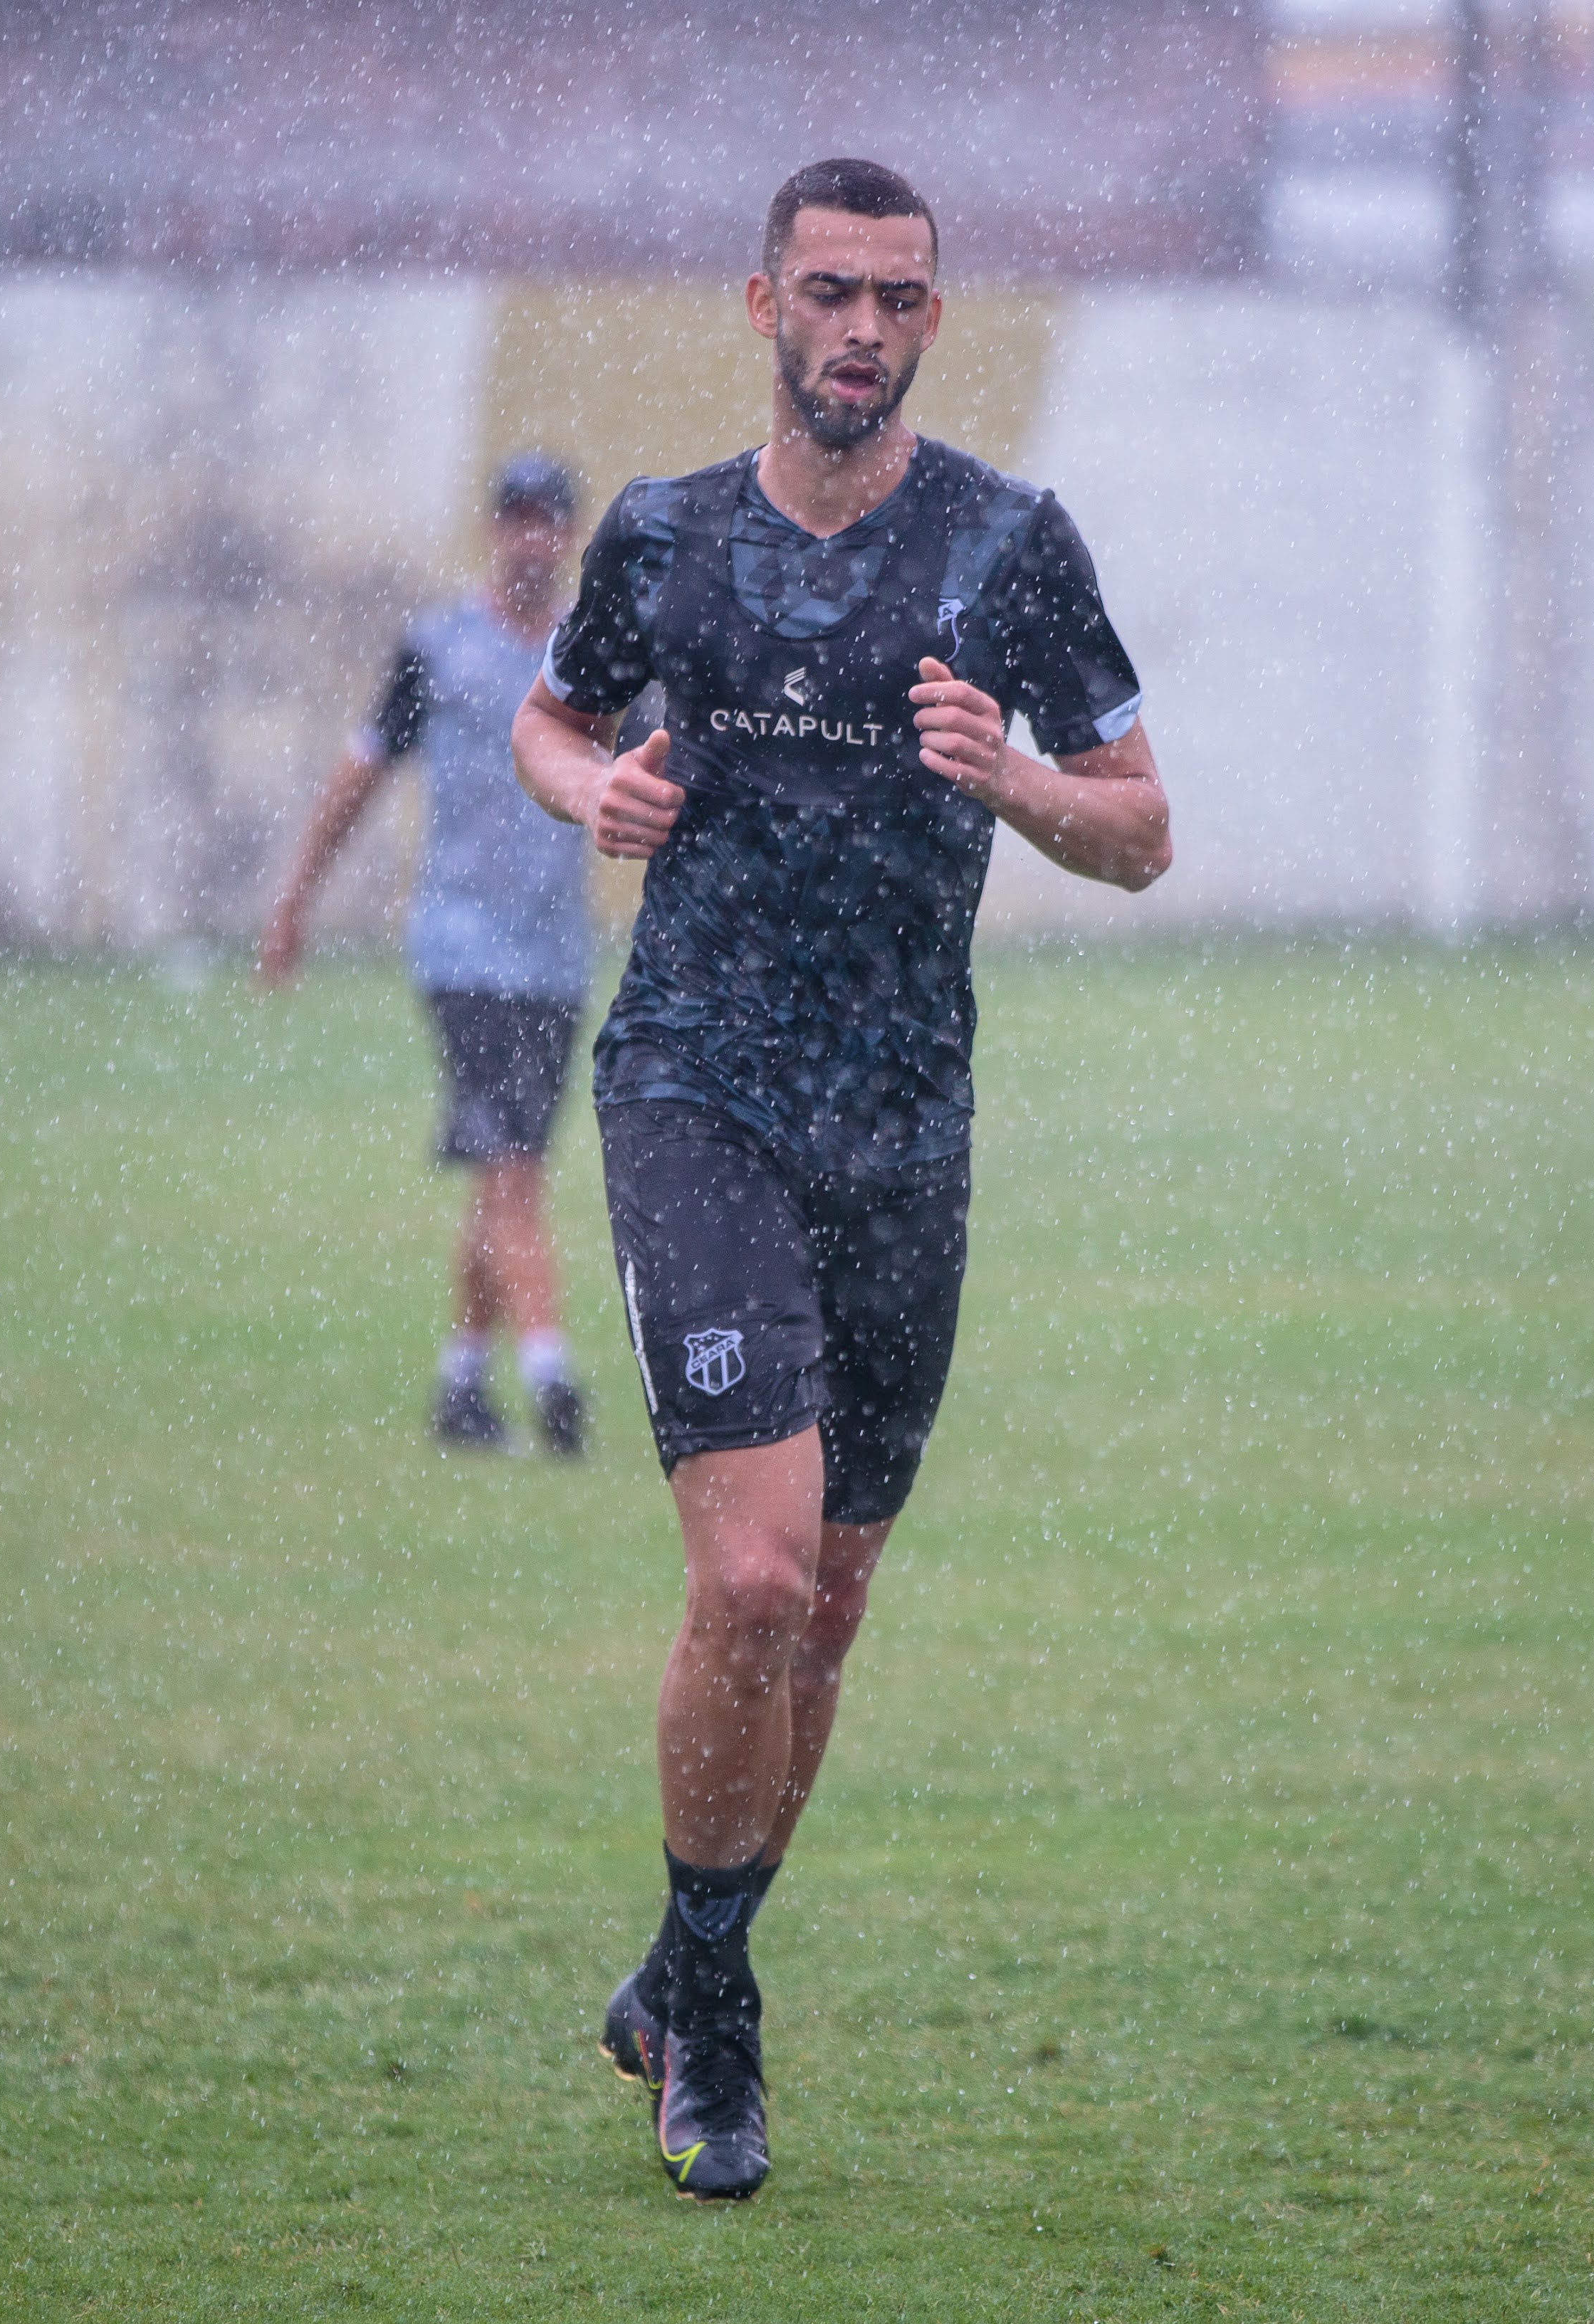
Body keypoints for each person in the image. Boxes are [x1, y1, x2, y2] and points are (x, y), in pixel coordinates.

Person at [509, 158, 1170, 2201]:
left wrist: (1019, 782)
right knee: (756, 1573)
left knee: (838, 1602)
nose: (860, 328)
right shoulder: (665, 538)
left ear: (932, 321)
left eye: (896, 296)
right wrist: (590, 785)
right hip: (699, 1089)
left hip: (907, 1127)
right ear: (761, 306)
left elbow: (1142, 829)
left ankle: (683, 1959)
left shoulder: (1007, 546)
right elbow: (552, 719)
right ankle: (721, 2035)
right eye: (828, 292)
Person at [261, 454, 595, 1456]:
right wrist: (295, 899)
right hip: (460, 945)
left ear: (569, 534)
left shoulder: (595, 652)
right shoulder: (437, 649)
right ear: (494, 530)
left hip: (554, 953)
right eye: (516, 520)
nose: (531, 539)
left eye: (548, 521)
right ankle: (550, 1368)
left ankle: (460, 1385)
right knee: (514, 1165)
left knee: (502, 1176)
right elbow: (358, 774)